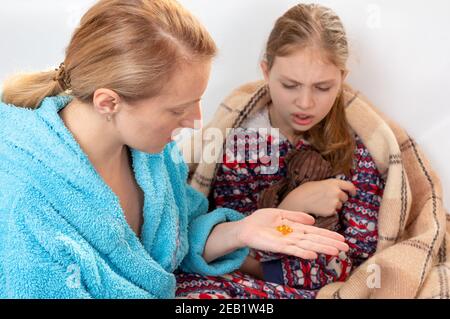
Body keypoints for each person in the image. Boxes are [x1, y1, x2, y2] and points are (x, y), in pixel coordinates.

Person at [0, 0, 348, 299]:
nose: (196, 121)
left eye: (197, 103)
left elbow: (177, 236)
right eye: (177, 109)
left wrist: (241, 231)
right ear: (109, 102)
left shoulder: (152, 154)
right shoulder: (23, 197)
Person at [176, 3, 386, 299]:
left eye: (323, 87)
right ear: (266, 71)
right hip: (244, 280)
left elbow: (362, 253)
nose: (305, 102)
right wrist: (290, 207)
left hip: (318, 286)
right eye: (290, 85)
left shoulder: (355, 149)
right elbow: (231, 238)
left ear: (342, 79)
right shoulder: (243, 142)